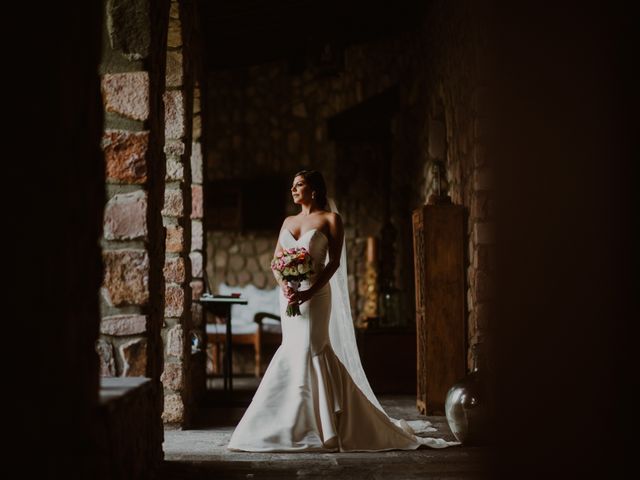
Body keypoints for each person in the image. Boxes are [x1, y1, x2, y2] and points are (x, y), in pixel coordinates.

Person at [227, 170, 458, 452]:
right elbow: (276, 262)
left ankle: (326, 427)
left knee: (313, 349)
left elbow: (334, 263)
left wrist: (308, 291)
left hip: (316, 294)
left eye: (299, 185)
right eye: (292, 186)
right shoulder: (288, 221)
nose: (294, 190)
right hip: (289, 295)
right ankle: (285, 424)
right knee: (292, 349)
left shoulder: (331, 220)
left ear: (315, 190)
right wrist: (286, 286)